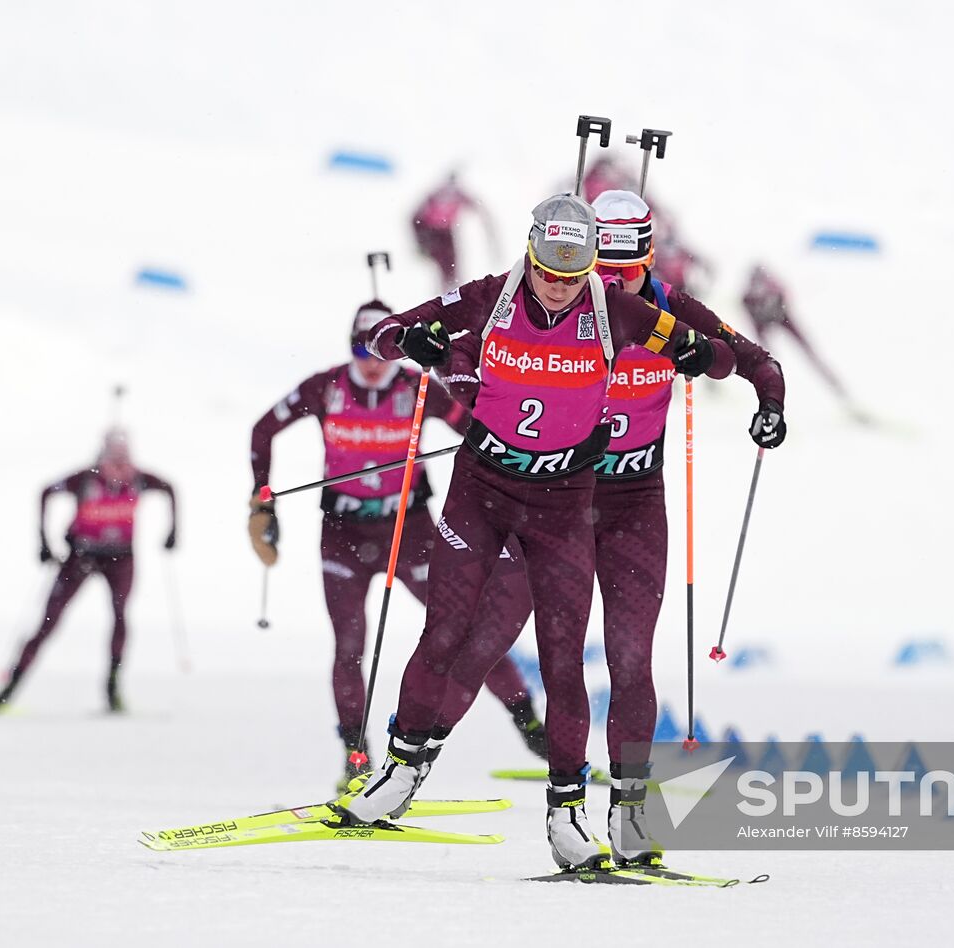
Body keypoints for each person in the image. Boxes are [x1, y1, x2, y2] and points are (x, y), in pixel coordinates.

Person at [339, 192, 738, 870]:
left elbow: (717, 357)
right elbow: (383, 334)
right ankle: (399, 773)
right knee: (444, 631)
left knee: (561, 660)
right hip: (482, 492)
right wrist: (413, 341)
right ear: (528, 255)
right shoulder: (489, 296)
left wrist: (701, 354)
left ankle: (567, 818)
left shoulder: (617, 311)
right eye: (546, 269)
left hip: (563, 503)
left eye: (571, 271)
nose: (556, 285)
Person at [426, 189, 786, 867]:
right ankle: (403, 768)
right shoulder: (563, 301)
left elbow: (755, 361)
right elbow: (471, 359)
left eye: (622, 269)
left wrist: (769, 407)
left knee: (628, 662)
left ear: (647, 258)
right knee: (480, 639)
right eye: (600, 267)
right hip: (549, 495)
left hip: (629, 506)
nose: (605, 282)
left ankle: (629, 814)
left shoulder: (667, 312)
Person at [247, 300, 546, 786]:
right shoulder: (326, 387)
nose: (371, 362)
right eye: (360, 349)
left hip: (410, 532)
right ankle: (355, 756)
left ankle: (531, 725)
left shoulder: (418, 385)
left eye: (379, 351)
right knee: (349, 645)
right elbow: (263, 430)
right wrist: (261, 499)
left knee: (462, 632)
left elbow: (475, 427)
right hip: (343, 533)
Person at [0, 429, 176, 714]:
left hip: (121, 558)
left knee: (120, 617)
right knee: (48, 622)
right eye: (114, 453)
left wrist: (172, 532)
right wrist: (44, 542)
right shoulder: (85, 478)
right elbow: (46, 491)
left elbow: (170, 488)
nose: (118, 462)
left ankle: (112, 690)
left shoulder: (139, 479)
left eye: (123, 453)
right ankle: (7, 691)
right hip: (81, 556)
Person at [742, 263, 865, 418]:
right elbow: (754, 326)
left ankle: (841, 393)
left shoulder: (774, 288)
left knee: (810, 355)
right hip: (767, 320)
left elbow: (786, 301)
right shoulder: (747, 298)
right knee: (767, 363)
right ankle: (770, 402)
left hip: (782, 317)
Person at [410, 172, 496, 291]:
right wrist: (421, 241)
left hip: (444, 232)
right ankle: (447, 292)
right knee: (446, 264)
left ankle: (452, 290)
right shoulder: (437, 195)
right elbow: (415, 218)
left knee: (450, 264)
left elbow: (477, 206)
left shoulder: (455, 194)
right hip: (432, 232)